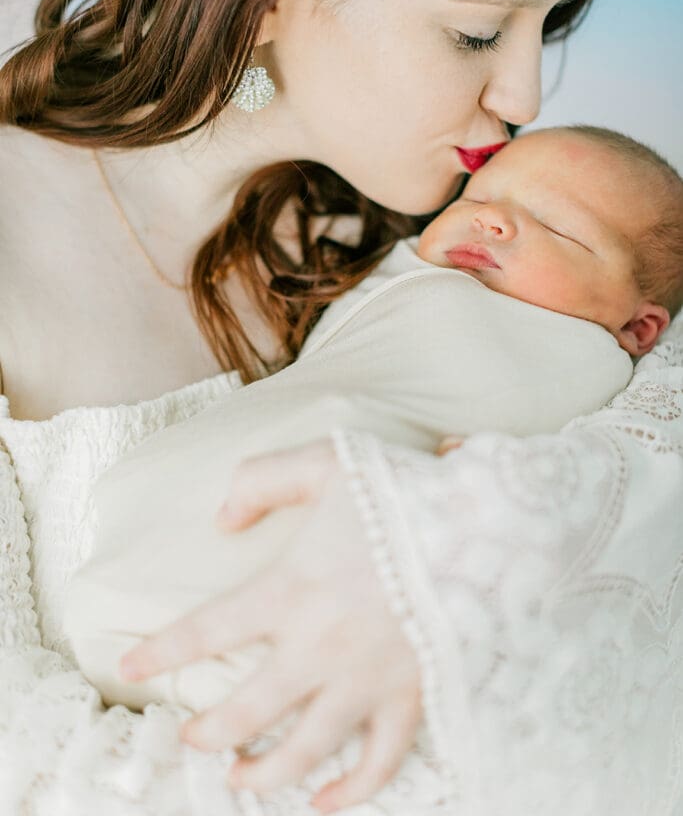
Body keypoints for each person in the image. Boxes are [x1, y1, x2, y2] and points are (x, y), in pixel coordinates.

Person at [0, 0, 680, 814]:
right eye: (476, 31)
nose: (527, 97)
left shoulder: (459, 231)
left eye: (548, 22)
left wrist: (457, 553)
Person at [63, 124, 682, 722]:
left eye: (557, 226)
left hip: (363, 517)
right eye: (481, 195)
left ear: (640, 328)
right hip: (242, 464)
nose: (492, 219)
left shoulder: (603, 368)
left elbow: (592, 499)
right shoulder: (394, 263)